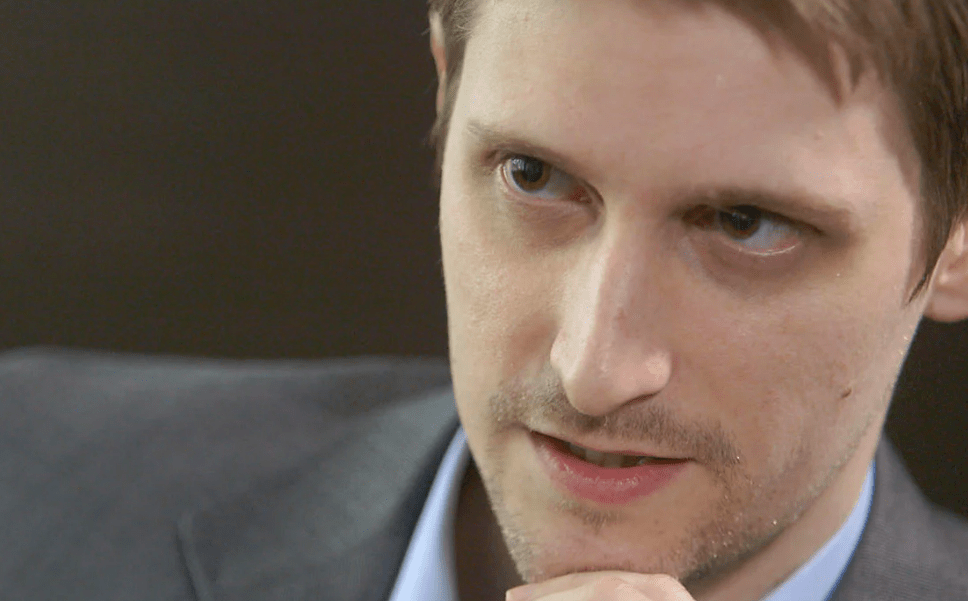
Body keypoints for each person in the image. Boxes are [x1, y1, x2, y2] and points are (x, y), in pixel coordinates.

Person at [1, 0, 967, 600]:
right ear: (445, 94)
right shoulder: (28, 471)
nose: (592, 370)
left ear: (956, 241)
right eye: (534, 176)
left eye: (747, 224)